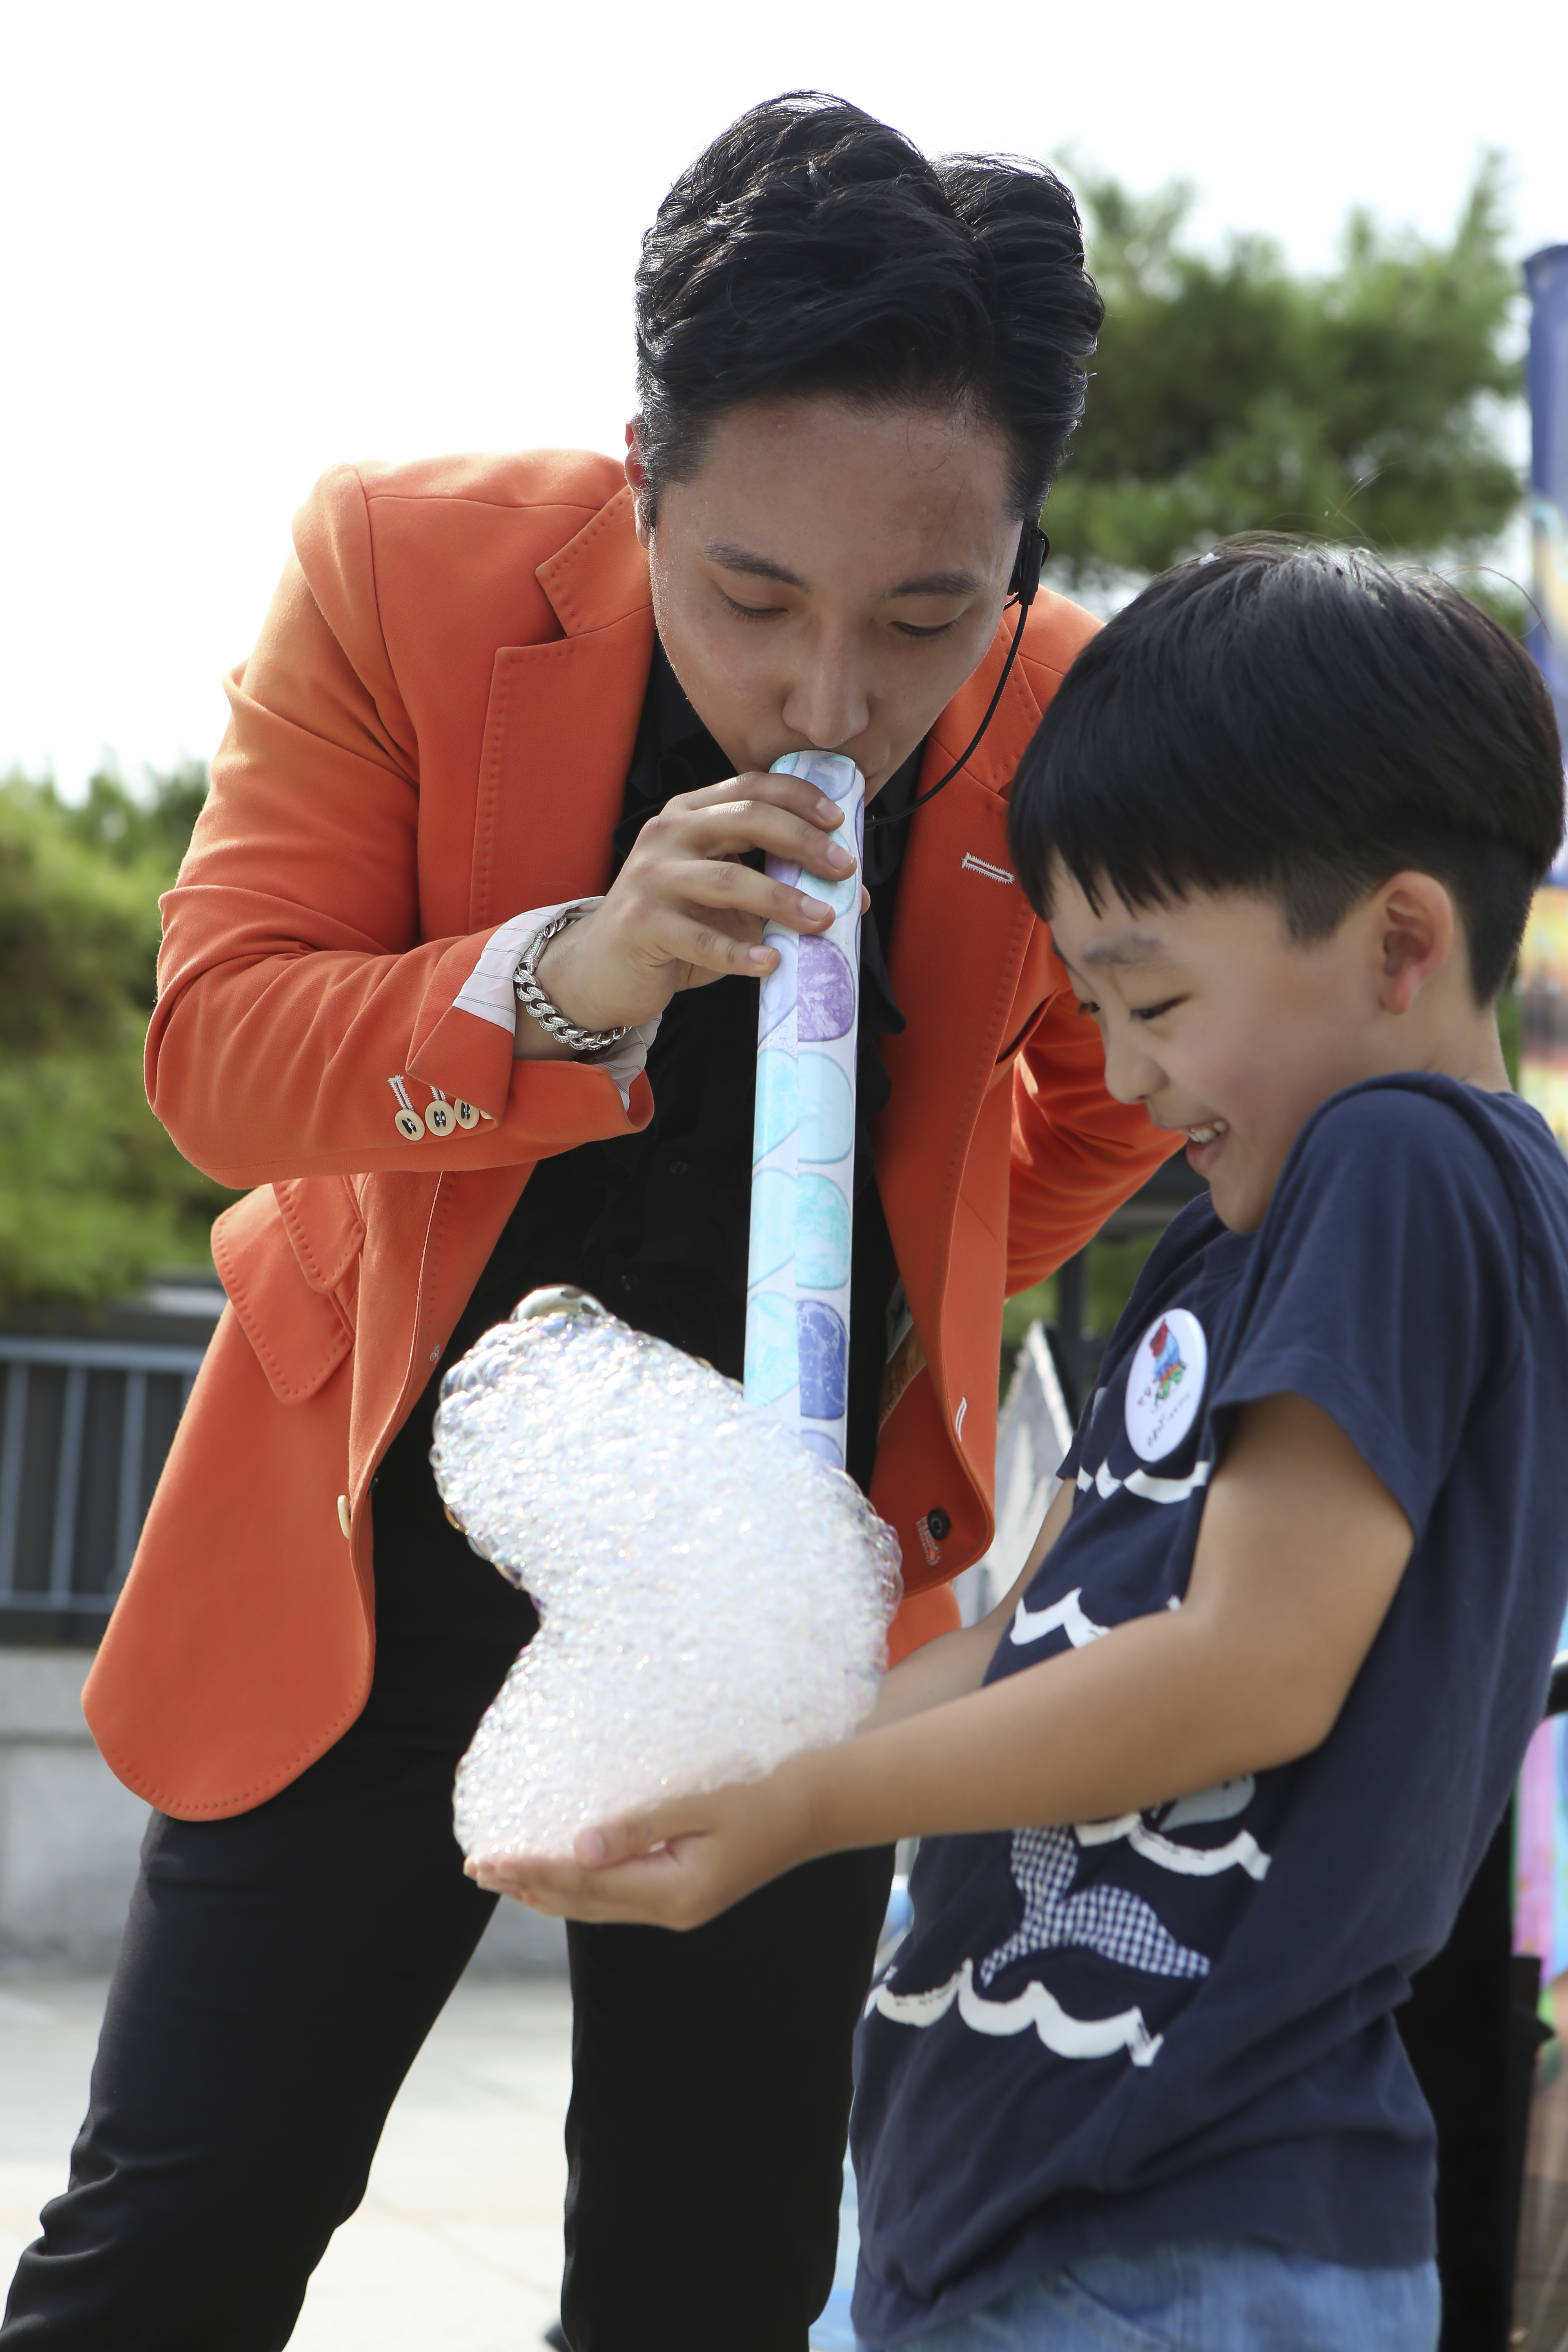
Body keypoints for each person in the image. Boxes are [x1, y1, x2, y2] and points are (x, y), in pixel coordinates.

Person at [1, 95, 1173, 2352]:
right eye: (751, 597)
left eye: (930, 616)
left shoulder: (1075, 704)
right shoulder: (401, 567)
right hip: (381, 1539)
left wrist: (941, 1282)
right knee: (175, 2252)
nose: (831, 696)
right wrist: (576, 977)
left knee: (710, 2287)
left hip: (790, 1579)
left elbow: (1116, 1089)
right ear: (642, 462)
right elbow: (216, 1049)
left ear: (1022, 548)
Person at [488, 541, 1568, 2352]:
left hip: (1182, 2222)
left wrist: (811, 1804)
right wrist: (746, 1772)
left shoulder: (1406, 1164)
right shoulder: (1259, 1222)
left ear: (1399, 944)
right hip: (1027, 2213)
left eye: (1151, 1003)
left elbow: (1252, 1673)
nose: (1127, 1080)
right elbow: (1043, 1627)